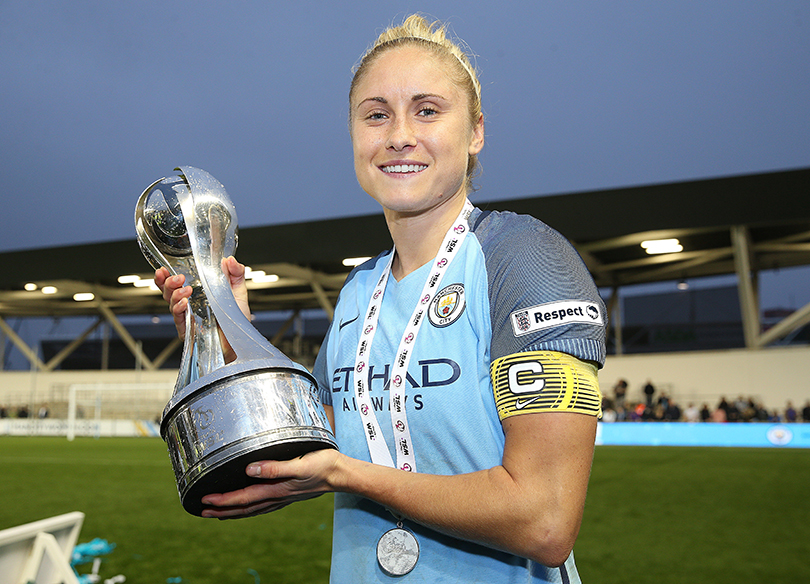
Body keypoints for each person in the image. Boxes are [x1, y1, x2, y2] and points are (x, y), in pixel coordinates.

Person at [157, 15, 606, 583]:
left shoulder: (525, 259)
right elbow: (306, 448)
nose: (398, 134)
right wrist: (231, 340)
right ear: (354, 135)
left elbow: (545, 520)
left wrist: (349, 476)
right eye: (376, 114)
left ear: (475, 132)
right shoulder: (357, 293)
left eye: (427, 109)